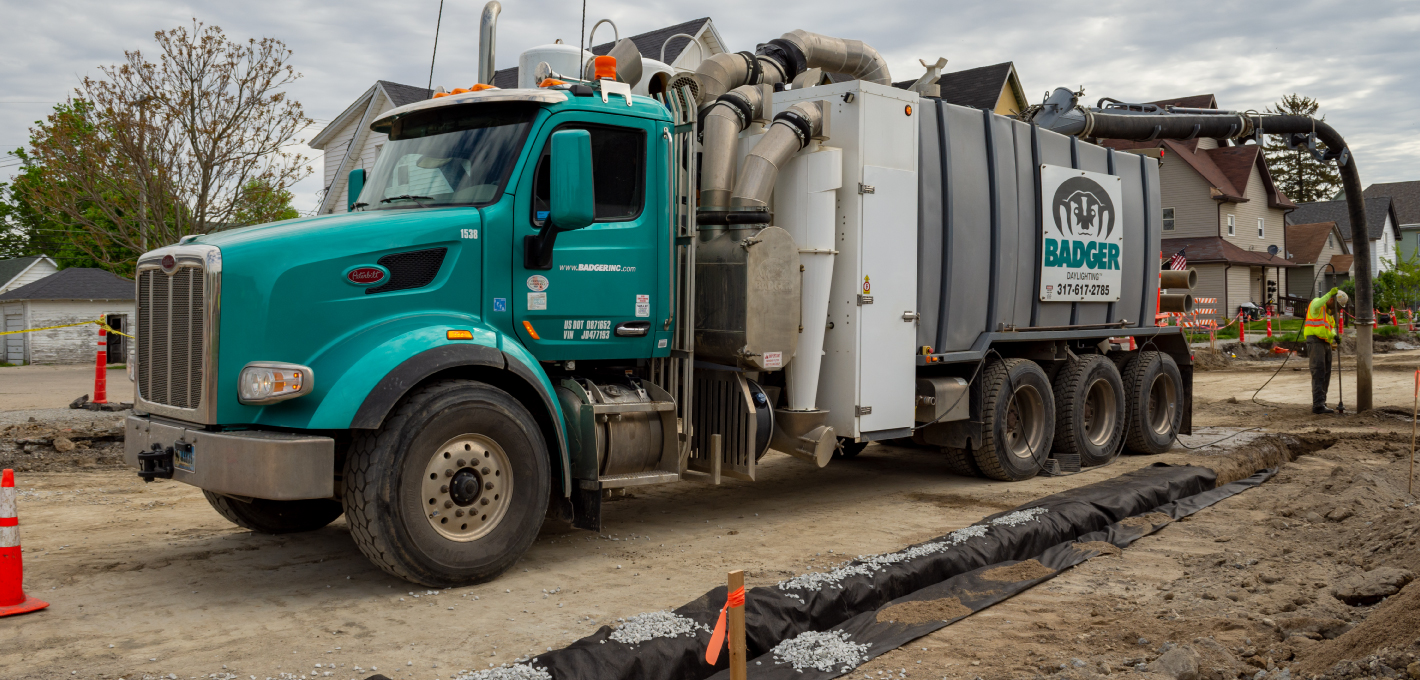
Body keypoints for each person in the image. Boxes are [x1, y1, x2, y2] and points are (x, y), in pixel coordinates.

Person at [1303, 287, 1348, 414]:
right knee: (1319, 371)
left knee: (1326, 373)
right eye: (1337, 305)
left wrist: (1334, 336)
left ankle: (1322, 401)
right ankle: (1317, 404)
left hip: (1325, 342)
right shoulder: (1316, 304)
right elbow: (1318, 303)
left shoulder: (1328, 314)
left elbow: (1331, 327)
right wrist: (1329, 294)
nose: (1336, 309)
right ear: (1331, 300)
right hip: (1315, 341)